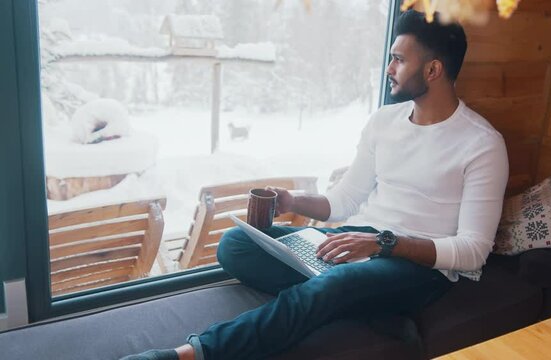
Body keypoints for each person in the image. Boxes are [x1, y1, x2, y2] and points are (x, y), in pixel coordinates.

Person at [122, 9, 508, 360]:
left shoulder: (481, 144)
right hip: (361, 239)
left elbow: (473, 251)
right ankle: (369, 306)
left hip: (418, 264)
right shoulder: (384, 122)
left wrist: (384, 244)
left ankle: (190, 354)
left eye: (399, 59)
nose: (389, 68)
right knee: (235, 245)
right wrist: (293, 200)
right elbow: (346, 199)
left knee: (333, 285)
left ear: (433, 70)